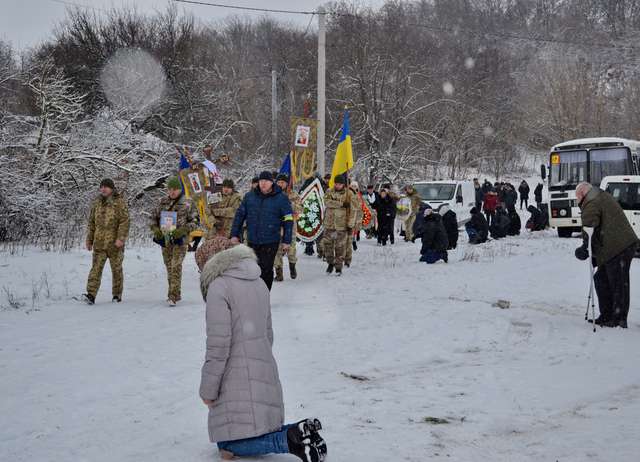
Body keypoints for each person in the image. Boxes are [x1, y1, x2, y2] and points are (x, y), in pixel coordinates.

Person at [196, 240, 327, 461]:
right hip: (263, 366)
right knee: (257, 428)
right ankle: (299, 430)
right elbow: (268, 334)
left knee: (227, 442)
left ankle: (288, 441)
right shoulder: (258, 282)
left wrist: (208, 391)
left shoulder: (219, 287)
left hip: (233, 375)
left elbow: (218, 346)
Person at [574, 182, 639, 328]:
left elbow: (589, 228)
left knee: (618, 283)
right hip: (616, 246)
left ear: (582, 194)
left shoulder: (591, 202)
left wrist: (585, 248)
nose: (577, 200)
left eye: (577, 197)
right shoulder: (598, 196)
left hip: (618, 246)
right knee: (601, 278)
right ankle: (607, 314)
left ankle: (618, 319)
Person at [230, 171, 293, 291]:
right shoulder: (250, 196)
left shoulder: (281, 198)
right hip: (253, 239)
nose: (263, 184)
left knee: (266, 268)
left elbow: (288, 219)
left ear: (272, 182)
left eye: (266, 181)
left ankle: (264, 294)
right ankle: (254, 294)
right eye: (261, 181)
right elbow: (239, 215)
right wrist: (234, 234)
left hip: (271, 240)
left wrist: (287, 240)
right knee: (253, 268)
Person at [150, 176, 198, 306]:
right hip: (165, 240)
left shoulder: (188, 202)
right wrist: (156, 230)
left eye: (175, 189)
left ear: (180, 189)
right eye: (170, 189)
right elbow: (152, 218)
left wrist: (183, 230)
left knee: (176, 265)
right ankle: (175, 293)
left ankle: (173, 296)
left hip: (180, 240)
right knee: (169, 266)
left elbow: (195, 221)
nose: (172, 192)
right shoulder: (162, 202)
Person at [83, 178, 130, 305]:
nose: (103, 189)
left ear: (112, 188)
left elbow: (124, 222)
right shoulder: (96, 203)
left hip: (115, 244)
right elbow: (91, 223)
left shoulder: (119, 202)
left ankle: (116, 294)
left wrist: (121, 238)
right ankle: (91, 294)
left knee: (116, 270)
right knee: (95, 269)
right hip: (99, 243)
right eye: (102, 186)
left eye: (106, 187)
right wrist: (89, 239)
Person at [323, 174, 358, 275]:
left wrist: (350, 224)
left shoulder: (349, 194)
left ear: (343, 184)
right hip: (329, 224)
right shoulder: (329, 191)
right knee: (327, 246)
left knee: (340, 247)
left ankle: (338, 267)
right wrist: (341, 204)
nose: (337, 186)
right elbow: (326, 202)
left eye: (340, 184)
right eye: (336, 184)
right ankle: (330, 263)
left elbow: (353, 210)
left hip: (341, 225)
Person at [274, 174, 301, 281]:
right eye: (279, 182)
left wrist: (288, 203)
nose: (280, 184)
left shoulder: (293, 194)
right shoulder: (272, 194)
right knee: (276, 250)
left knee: (291, 248)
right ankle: (279, 273)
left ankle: (292, 266)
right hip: (275, 225)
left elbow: (300, 208)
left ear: (287, 183)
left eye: (283, 182)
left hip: (290, 226)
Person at [344, 181, 364, 267]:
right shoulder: (345, 193)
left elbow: (359, 207)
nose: (353, 187)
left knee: (349, 242)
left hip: (352, 221)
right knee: (342, 242)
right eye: (352, 186)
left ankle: (347, 260)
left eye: (355, 186)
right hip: (343, 221)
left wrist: (358, 221)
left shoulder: (357, 196)